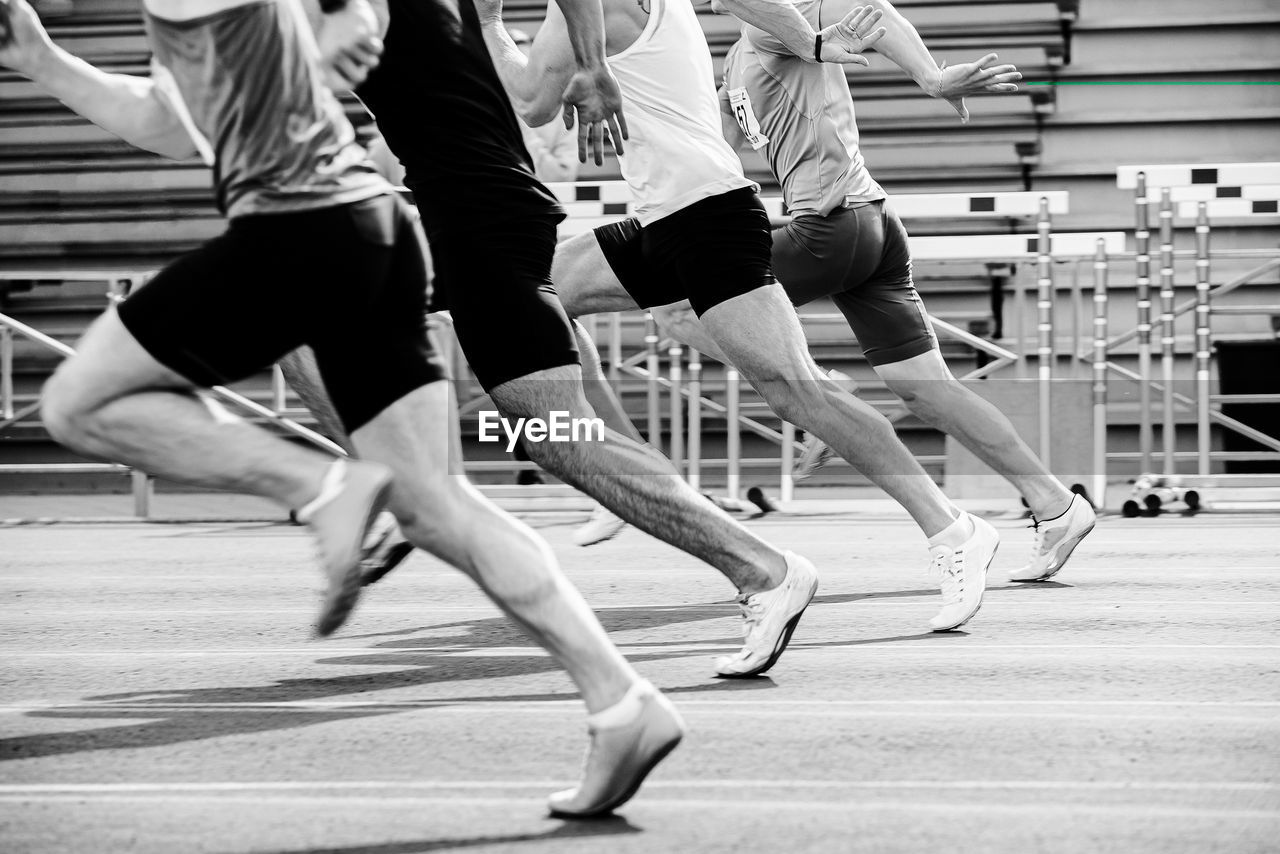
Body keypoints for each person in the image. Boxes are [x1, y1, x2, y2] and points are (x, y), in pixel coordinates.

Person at [0, 0, 682, 817]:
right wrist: (42, 61)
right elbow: (173, 123)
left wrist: (334, 39)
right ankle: (621, 705)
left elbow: (358, 21)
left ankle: (329, 490)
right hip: (371, 228)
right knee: (436, 506)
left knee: (79, 403)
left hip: (301, 229)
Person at [294, 0, 823, 687]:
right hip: (453, 215)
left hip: (484, 220)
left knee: (557, 435)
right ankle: (400, 486)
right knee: (297, 315)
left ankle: (763, 570)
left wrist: (597, 64)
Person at [479, 0, 1000, 635]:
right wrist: (807, 40)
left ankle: (952, 528)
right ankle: (622, 465)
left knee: (796, 392)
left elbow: (531, 103)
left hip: (707, 221)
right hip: (665, 218)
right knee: (539, 291)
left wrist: (487, 25)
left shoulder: (586, 10)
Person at [653, 0, 1097, 582]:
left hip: (830, 228)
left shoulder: (772, 26)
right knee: (929, 392)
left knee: (675, 305)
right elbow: (716, 155)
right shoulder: (738, 59)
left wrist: (934, 78)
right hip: (872, 225)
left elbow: (876, 15)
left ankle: (820, 388)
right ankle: (1056, 505)